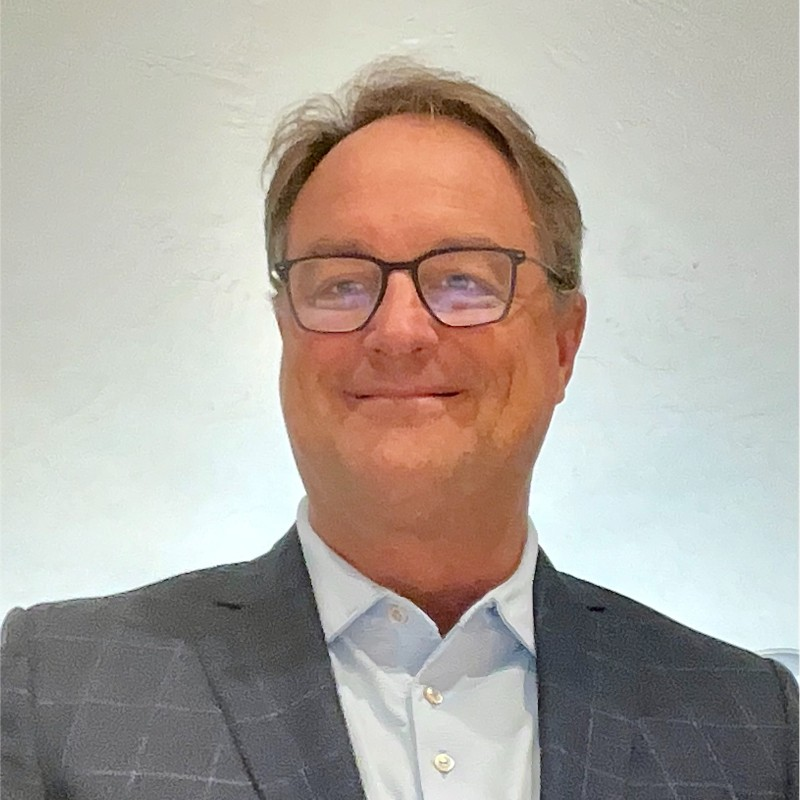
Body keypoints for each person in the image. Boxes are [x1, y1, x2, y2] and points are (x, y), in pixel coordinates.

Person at [2, 59, 797, 800]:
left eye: (462, 278)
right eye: (342, 285)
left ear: (563, 345)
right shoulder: (60, 686)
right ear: (285, 333)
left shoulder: (752, 722)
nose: (399, 332)